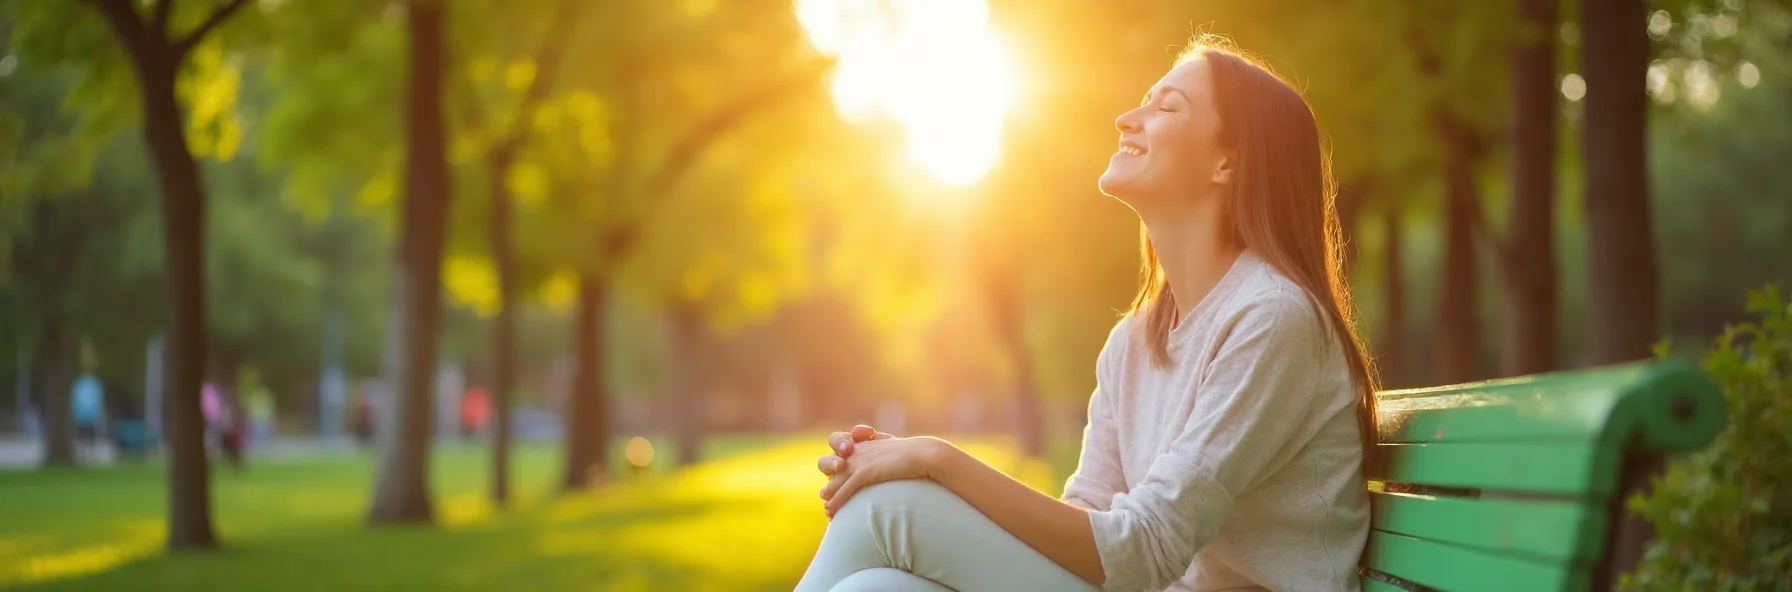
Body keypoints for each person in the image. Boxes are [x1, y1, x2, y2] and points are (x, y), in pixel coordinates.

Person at [796, 36, 1380, 592]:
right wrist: (926, 464)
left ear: (1227, 164)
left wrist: (934, 459)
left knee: (887, 508)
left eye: (1166, 107)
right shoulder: (1134, 339)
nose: (1129, 118)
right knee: (879, 585)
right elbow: (1090, 521)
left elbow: (1147, 548)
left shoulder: (1272, 318)